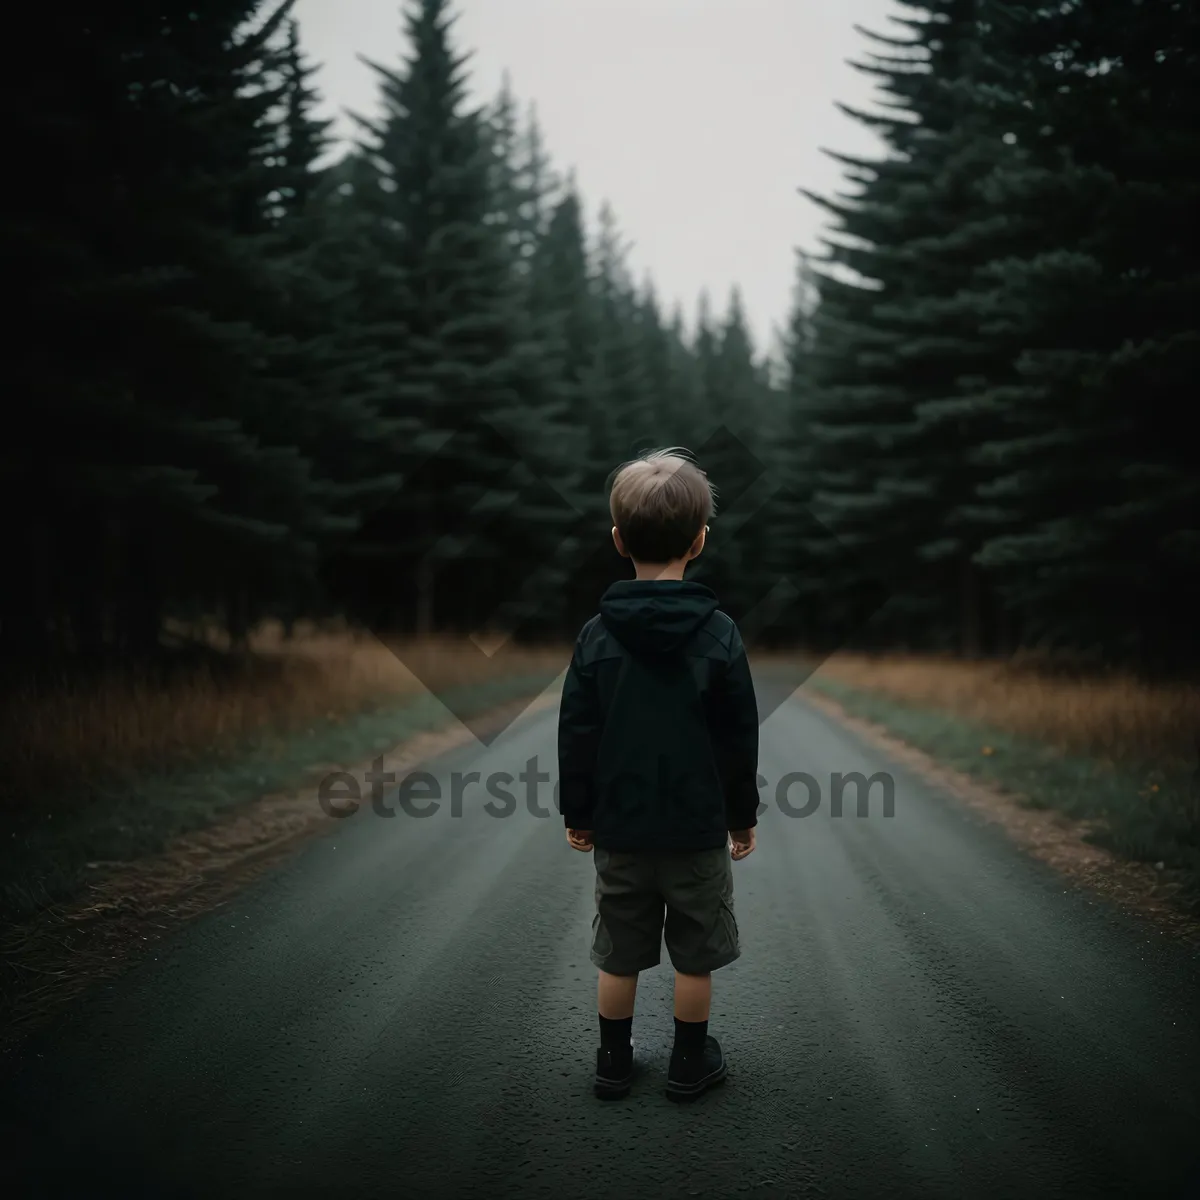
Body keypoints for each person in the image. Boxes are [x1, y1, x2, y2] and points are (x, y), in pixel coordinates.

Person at [557, 447, 760, 1102]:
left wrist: (579, 813)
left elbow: (577, 733)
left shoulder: (595, 635)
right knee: (695, 955)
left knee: (618, 952)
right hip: (696, 831)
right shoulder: (720, 634)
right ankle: (688, 1063)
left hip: (620, 830)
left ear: (618, 540)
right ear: (700, 541)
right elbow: (738, 737)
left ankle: (613, 1062)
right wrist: (741, 816)